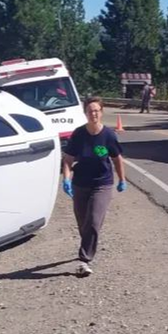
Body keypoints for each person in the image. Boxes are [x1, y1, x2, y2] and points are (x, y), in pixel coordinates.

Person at [61, 96, 127, 276]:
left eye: (97, 110)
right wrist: (66, 179)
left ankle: (84, 260)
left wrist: (122, 179)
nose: (93, 114)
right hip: (80, 183)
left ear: (101, 112)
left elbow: (117, 159)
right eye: (90, 111)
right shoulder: (79, 134)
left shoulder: (108, 135)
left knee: (93, 221)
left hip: (102, 184)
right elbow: (68, 159)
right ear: (85, 113)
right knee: (83, 222)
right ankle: (87, 246)